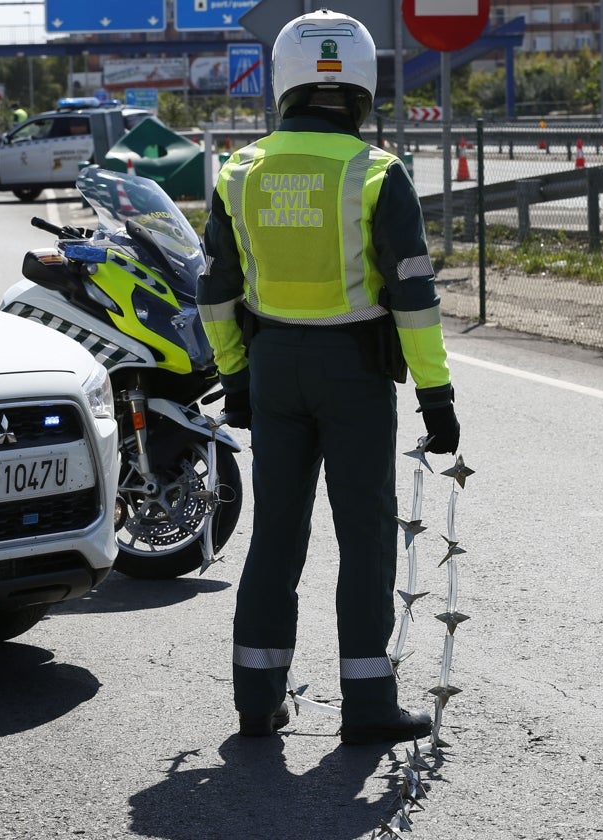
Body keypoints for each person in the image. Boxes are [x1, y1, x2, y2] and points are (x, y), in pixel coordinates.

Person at [196, 9, 460, 746]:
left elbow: (214, 289)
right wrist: (435, 393)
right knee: (366, 536)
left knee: (276, 533)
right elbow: (413, 293)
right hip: (355, 374)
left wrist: (237, 374)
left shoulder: (239, 171)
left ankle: (257, 698)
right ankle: (369, 705)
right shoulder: (377, 172)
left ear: (285, 81)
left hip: (273, 370)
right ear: (363, 84)